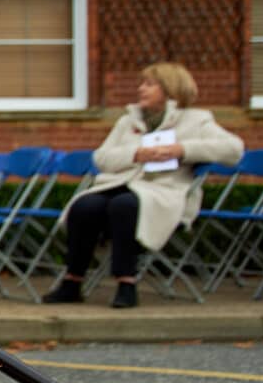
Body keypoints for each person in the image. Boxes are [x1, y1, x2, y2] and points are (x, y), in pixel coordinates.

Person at [41, 62, 244, 308]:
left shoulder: (197, 120)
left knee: (124, 206)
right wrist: (136, 154)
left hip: (162, 192)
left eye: (149, 84)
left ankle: (127, 283)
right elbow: (101, 158)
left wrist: (183, 150)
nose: (141, 89)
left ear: (170, 88)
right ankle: (72, 282)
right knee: (85, 206)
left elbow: (234, 149)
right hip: (118, 184)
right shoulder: (128, 122)